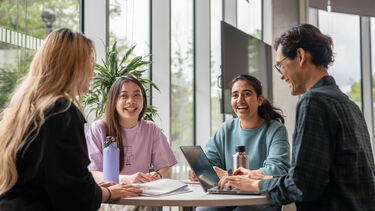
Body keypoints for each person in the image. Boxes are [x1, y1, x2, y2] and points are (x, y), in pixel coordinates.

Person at [218, 24, 375, 210]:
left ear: (300, 56)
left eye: (281, 65)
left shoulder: (314, 101)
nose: (282, 75)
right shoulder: (348, 104)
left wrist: (255, 185)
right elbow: (316, 177)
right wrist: (260, 177)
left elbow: (302, 187)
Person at [0, 28, 141, 210]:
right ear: (74, 68)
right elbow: (75, 197)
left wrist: (93, 188)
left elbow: (53, 177)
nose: (93, 72)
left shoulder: (24, 109)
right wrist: (109, 192)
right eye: (89, 64)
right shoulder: (61, 112)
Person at [192, 74, 290, 211]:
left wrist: (230, 176)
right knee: (203, 210)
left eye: (247, 94)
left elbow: (278, 170)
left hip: (261, 197)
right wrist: (202, 171)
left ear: (260, 99)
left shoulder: (275, 129)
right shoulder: (226, 128)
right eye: (235, 95)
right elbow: (212, 162)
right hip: (228, 194)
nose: (240, 100)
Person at [86, 75, 177, 184]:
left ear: (143, 100)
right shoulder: (99, 129)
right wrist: (125, 180)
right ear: (113, 101)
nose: (131, 101)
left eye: (136, 95)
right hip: (110, 197)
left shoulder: (151, 129)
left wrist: (157, 176)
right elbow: (92, 173)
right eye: (124, 96)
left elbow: (165, 169)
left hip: (141, 196)